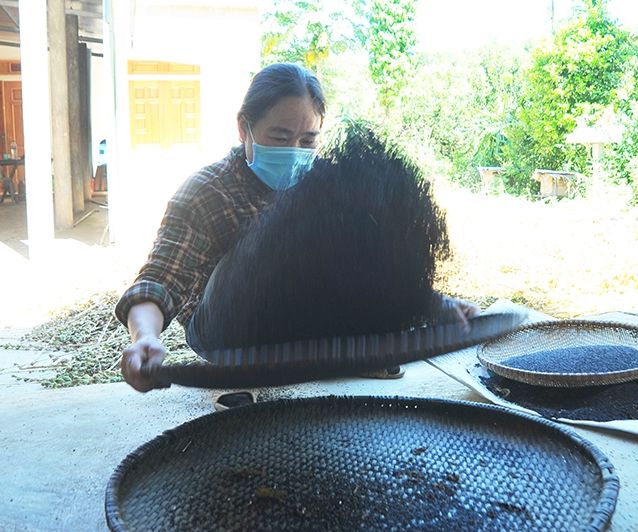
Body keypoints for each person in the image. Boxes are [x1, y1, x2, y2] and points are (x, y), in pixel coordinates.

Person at [116, 63, 478, 407]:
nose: (295, 151)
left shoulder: (323, 183)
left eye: (308, 140)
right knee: (274, 237)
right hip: (228, 337)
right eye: (280, 136)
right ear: (244, 129)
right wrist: (145, 337)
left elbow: (368, 265)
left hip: (303, 330)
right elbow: (161, 279)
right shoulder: (206, 192)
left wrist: (433, 303)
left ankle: (351, 357)